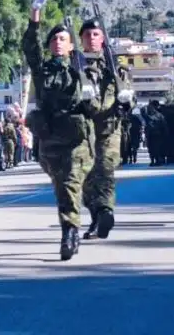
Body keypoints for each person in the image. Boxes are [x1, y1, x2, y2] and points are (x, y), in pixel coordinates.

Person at [22, 0, 95, 261]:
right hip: (50, 139)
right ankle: (73, 219)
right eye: (53, 39)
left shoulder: (82, 69)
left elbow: (95, 105)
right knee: (62, 186)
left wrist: (90, 95)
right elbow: (30, 47)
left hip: (76, 140)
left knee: (69, 183)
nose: (57, 43)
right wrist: (34, 15)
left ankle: (69, 232)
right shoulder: (43, 69)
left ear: (72, 46)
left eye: (62, 39)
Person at [77, 18, 132, 241]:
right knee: (86, 179)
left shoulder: (117, 68)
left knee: (105, 172)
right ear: (80, 39)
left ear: (103, 39)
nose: (92, 38)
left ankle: (106, 211)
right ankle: (97, 215)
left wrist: (127, 99)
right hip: (82, 130)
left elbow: (129, 95)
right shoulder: (74, 66)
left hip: (109, 129)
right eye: (87, 34)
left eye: (96, 34)